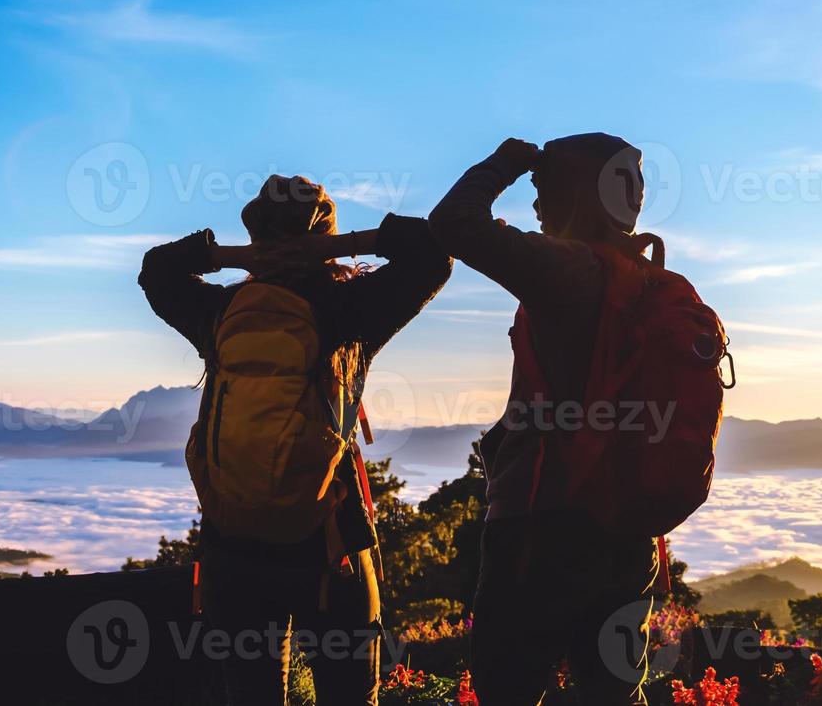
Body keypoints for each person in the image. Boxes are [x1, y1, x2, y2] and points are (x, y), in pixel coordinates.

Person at [430, 134, 726, 706]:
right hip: (628, 536)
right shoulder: (650, 281)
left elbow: (455, 222)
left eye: (545, 189)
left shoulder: (565, 267)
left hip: (540, 530)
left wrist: (506, 163)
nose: (536, 207)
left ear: (578, 196)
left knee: (508, 690)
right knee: (613, 693)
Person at [140, 174, 451, 706]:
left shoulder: (218, 312)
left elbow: (157, 269)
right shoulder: (349, 308)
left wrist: (244, 258)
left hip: (232, 546)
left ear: (254, 231)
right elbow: (431, 257)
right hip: (327, 546)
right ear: (322, 235)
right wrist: (345, 247)